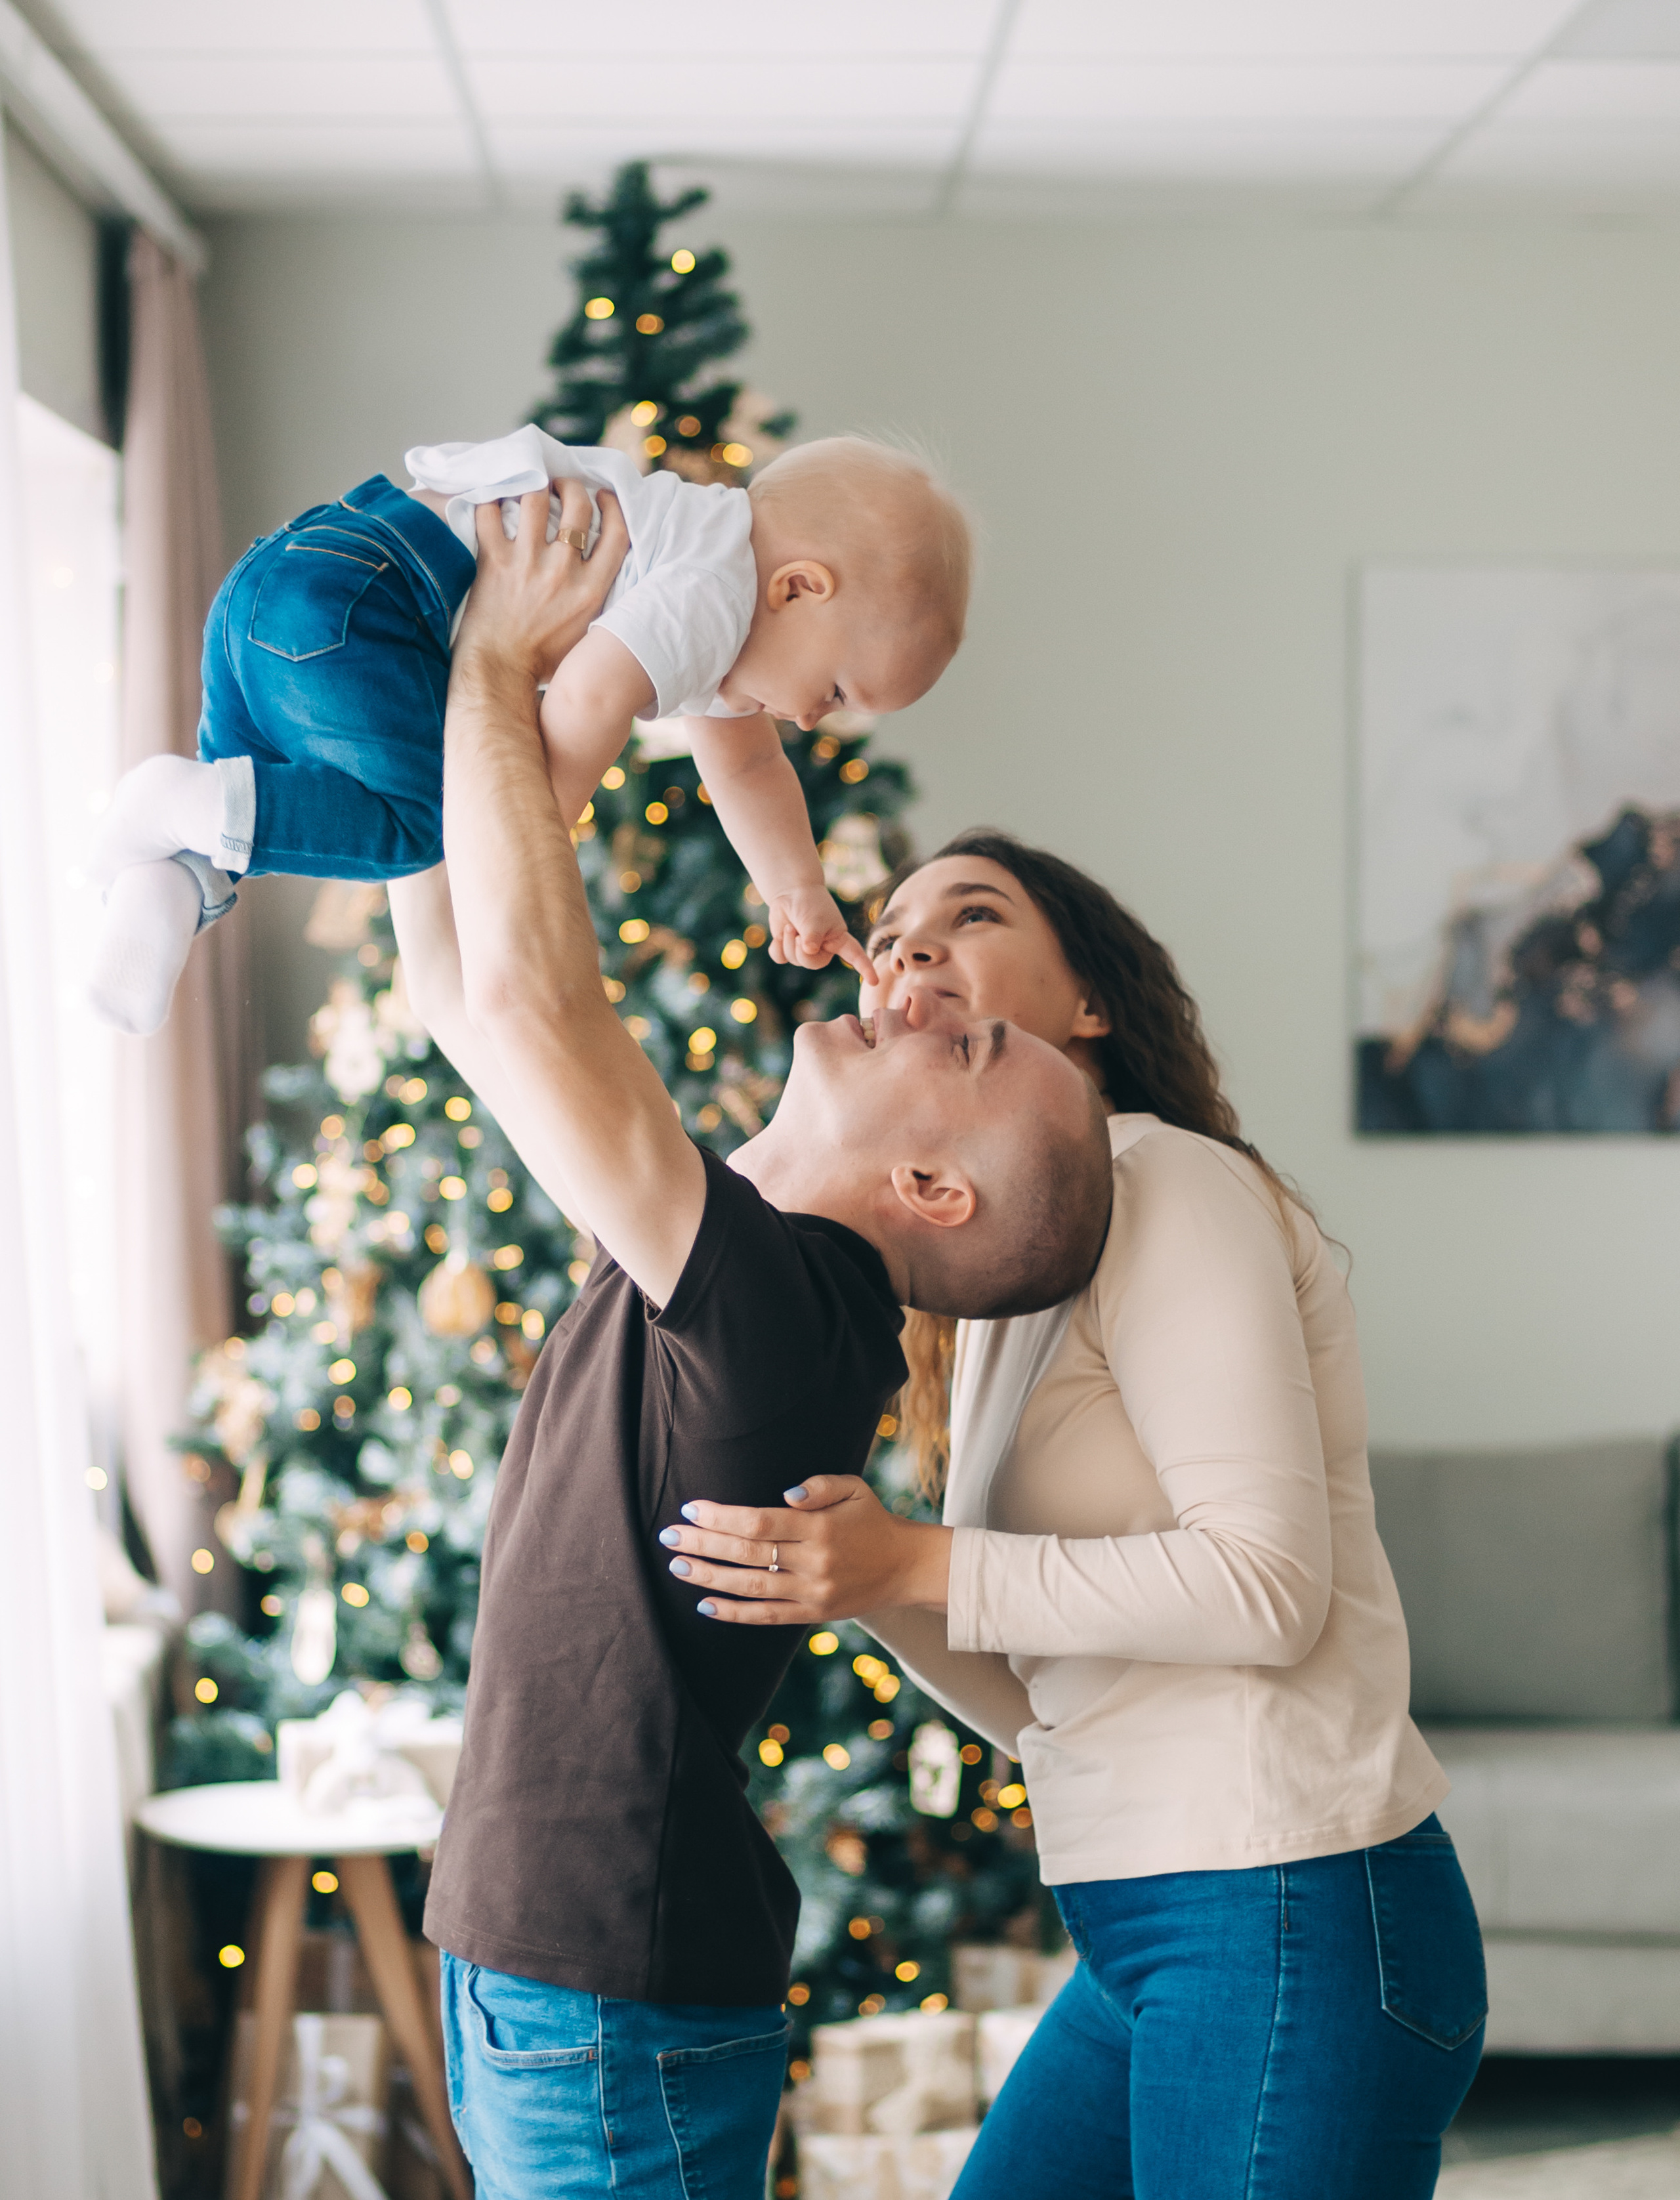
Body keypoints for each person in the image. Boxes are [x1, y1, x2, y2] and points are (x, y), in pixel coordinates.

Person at [388, 503, 1113, 2200]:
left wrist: (502, 665)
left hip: (601, 1995)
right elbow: (454, 988)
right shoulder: (739, 1266)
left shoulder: (781, 1316)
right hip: (563, 1969)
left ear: (930, 1184)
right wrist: (424, 703)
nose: (919, 981)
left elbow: (527, 1009)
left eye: (976, 1041)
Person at [660, 830, 1489, 2200]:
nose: (904, 946)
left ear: (1089, 1005)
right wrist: (872, 1583)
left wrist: (917, 1555)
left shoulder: (1165, 1180)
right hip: (1153, 1919)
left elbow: (1263, 1584)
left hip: (1287, 1901)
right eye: (888, 931)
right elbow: (1056, 1697)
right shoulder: (996, 1286)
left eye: (967, 915)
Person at [89, 426, 967, 1033]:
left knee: (265, 787)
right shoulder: (716, 588)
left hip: (304, 569)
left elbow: (745, 767)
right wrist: (521, 838)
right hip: (377, 601)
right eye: (839, 689)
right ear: (800, 587)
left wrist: (796, 888)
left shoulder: (714, 588)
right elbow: (586, 700)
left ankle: (172, 880)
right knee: (415, 823)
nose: (817, 719)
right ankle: (171, 803)